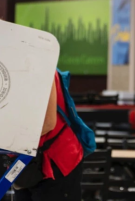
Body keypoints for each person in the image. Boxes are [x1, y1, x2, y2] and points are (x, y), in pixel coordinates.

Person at [15, 71, 84, 201]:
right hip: (27, 158)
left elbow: (48, 123)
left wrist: (11, 141)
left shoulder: (44, 66)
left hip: (57, 160)